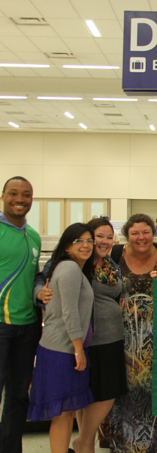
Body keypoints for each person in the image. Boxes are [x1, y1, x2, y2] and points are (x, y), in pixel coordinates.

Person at [35, 218, 129, 453]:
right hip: (75, 343)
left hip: (101, 338)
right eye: (95, 237)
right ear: (69, 244)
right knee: (72, 404)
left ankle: (83, 442)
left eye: (109, 237)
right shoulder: (72, 265)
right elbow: (54, 293)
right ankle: (84, 442)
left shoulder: (108, 264)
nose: (100, 242)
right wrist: (40, 292)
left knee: (87, 397)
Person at [27, 223, 95, 453]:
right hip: (62, 351)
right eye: (80, 241)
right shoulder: (69, 269)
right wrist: (78, 349)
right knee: (62, 415)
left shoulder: (72, 268)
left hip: (63, 349)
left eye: (89, 241)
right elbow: (69, 312)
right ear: (67, 246)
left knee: (65, 414)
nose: (86, 246)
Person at [109, 214, 157, 453]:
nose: (141, 237)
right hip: (121, 338)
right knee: (125, 391)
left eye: (145, 232)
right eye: (135, 233)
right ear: (127, 235)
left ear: (153, 232)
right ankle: (123, 443)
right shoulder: (115, 255)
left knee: (155, 390)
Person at [0, 176, 42, 453]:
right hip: (0, 326)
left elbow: (35, 277)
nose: (20, 199)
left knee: (18, 396)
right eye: (14, 193)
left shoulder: (34, 235)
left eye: (26, 194)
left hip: (27, 327)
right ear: (3, 195)